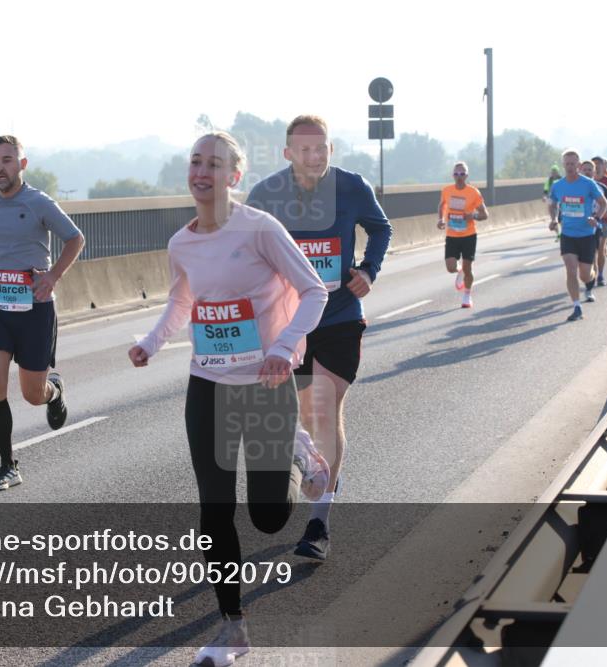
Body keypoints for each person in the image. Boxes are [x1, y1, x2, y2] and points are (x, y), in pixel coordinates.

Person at [128, 131, 329, 666]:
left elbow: (314, 290)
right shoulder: (181, 243)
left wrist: (284, 347)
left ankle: (296, 447)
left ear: (233, 176)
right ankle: (232, 629)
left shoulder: (260, 229)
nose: (202, 171)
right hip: (208, 384)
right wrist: (150, 343)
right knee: (214, 509)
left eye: (214, 164)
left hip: (266, 385)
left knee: (267, 517)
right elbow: (181, 300)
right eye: (196, 161)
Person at [246, 114, 392, 561]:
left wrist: (368, 270)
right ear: (288, 153)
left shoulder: (351, 187)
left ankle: (319, 522)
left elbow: (381, 228)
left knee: (323, 409)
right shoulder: (265, 195)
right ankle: (307, 459)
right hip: (287, 323)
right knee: (301, 414)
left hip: (340, 317)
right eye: (304, 150)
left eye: (321, 147)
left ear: (331, 149)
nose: (313, 156)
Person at [0, 135, 84, 491]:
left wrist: (52, 276)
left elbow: (75, 238)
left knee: (31, 394)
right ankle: (7, 465)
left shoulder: (39, 202)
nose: (0, 167)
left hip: (35, 309)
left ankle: (54, 389)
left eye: (7, 160)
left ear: (22, 164)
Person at [548, 150, 607, 321]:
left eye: (573, 164)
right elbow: (552, 204)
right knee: (570, 269)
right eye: (567, 164)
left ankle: (592, 277)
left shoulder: (588, 184)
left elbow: (603, 203)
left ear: (579, 165)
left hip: (587, 234)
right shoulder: (558, 185)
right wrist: (553, 219)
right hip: (568, 234)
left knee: (585, 275)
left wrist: (596, 218)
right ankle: (576, 306)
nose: (570, 167)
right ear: (563, 164)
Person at [437, 162, 489, 308]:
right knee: (450, 267)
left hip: (469, 235)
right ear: (452, 175)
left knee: (468, 268)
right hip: (452, 234)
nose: (459, 177)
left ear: (467, 175)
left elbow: (485, 214)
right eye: (456, 174)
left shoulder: (473, 193)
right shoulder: (447, 190)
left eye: (462, 174)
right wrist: (441, 219)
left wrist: (472, 216)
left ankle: (467, 295)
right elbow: (442, 205)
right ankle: (459, 271)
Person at [590, 157, 607, 286]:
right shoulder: (584, 183)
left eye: (599, 164)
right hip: (589, 221)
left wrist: (606, 211)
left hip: (604, 220)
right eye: (594, 165)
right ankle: (593, 271)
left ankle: (600, 274)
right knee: (592, 250)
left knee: (600, 248)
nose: (597, 167)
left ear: (603, 166)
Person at [544, 165, 564, 240]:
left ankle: (563, 232)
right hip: (552, 199)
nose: (554, 173)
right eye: (552, 171)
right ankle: (558, 233)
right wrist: (545, 197)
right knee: (553, 218)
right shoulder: (549, 180)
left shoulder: (561, 179)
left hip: (561, 199)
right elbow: (545, 190)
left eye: (555, 171)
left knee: (561, 217)